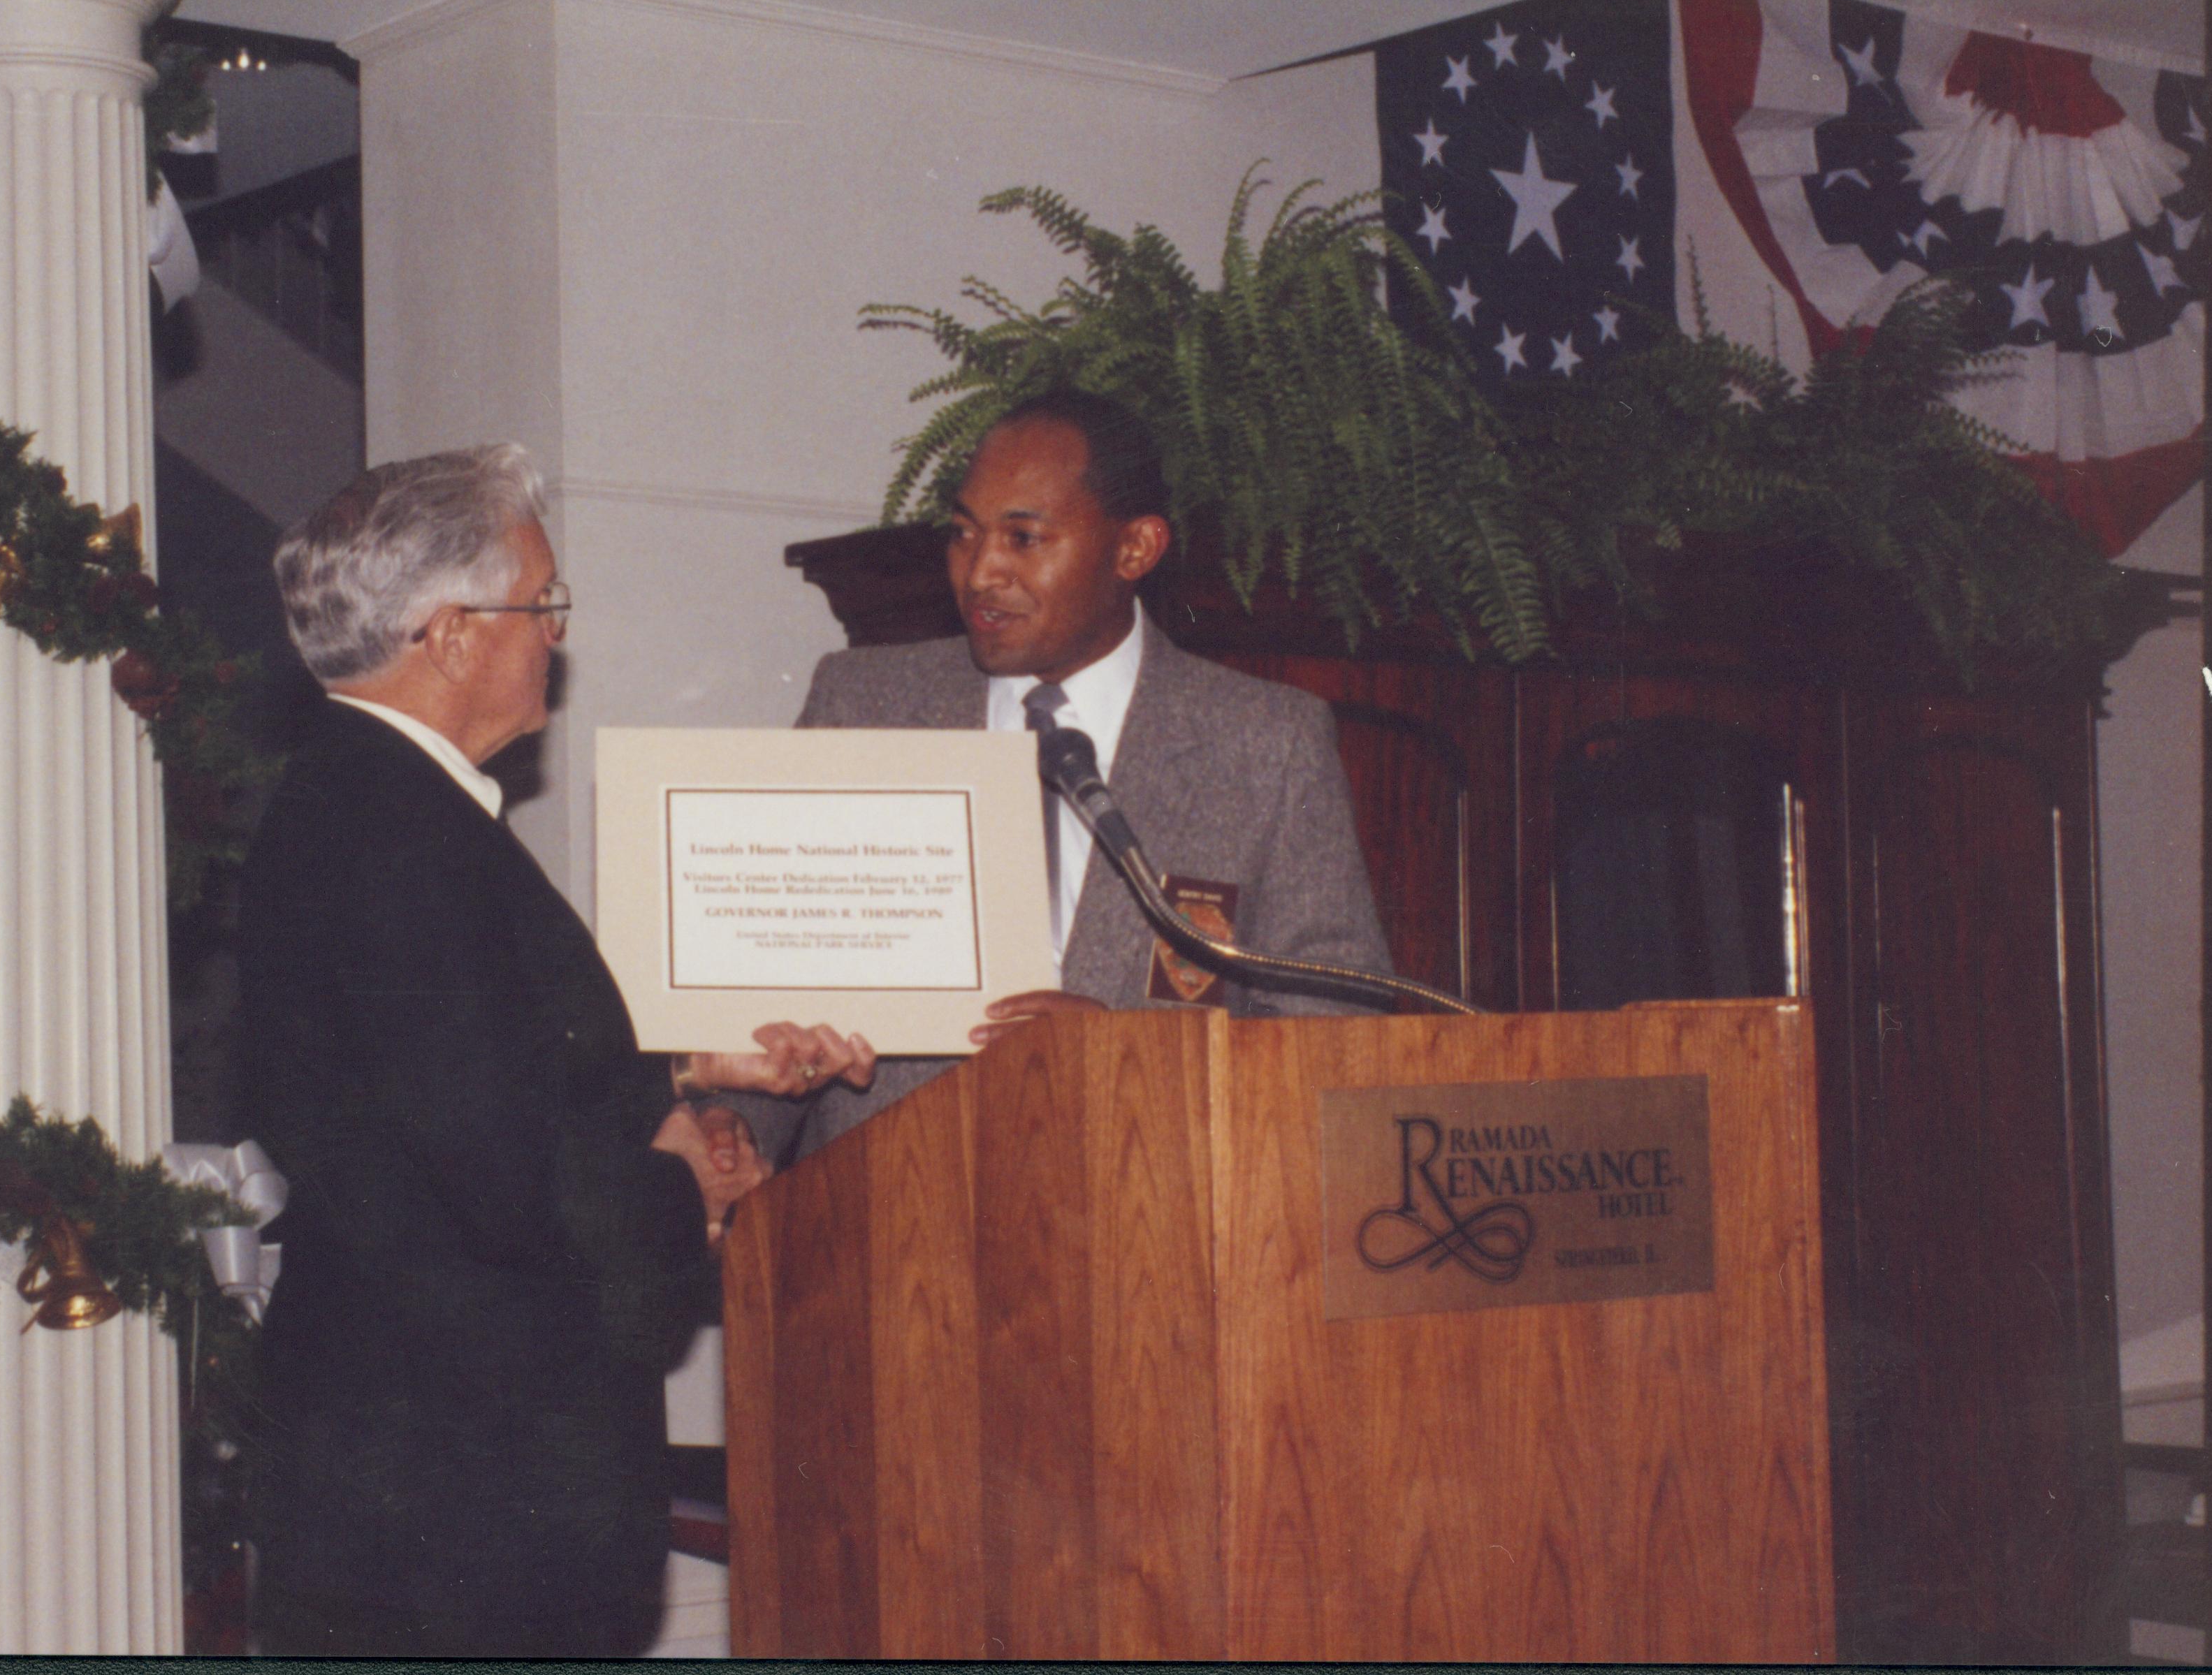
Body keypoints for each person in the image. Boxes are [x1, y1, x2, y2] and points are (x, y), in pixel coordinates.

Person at [233, 446, 870, 1657]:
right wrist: (693, 1182)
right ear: (455, 632)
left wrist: (683, 1081)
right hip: (458, 1507)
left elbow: (456, 1079)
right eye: (543, 604)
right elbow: (507, 1184)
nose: (554, 637)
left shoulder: (360, 806)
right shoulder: (401, 838)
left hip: (417, 1485)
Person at [741, 390, 1390, 1164]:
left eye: (1023, 537)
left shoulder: (1265, 743)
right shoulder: (861, 703)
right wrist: (733, 1131)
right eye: (963, 534)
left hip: (1148, 1220)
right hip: (892, 1222)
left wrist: (1126, 1054)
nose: (981, 572)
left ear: (1135, 549)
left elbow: (1341, 1037)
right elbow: (768, 984)